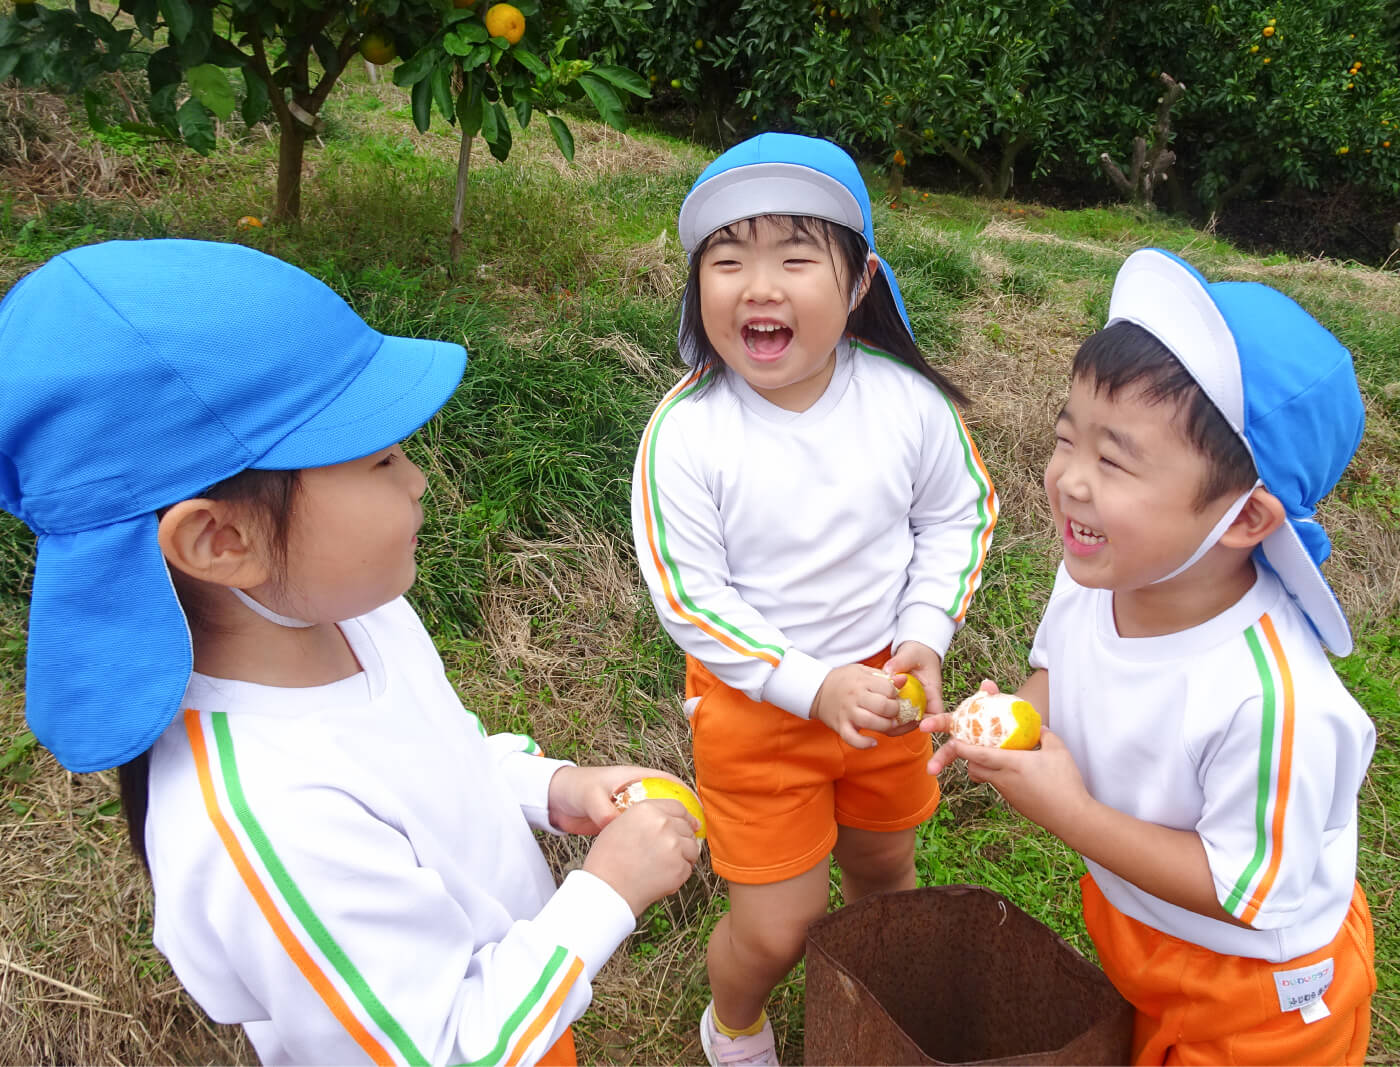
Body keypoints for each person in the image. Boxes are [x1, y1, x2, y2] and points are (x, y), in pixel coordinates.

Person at [0, 239, 703, 1066]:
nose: (418, 481)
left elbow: (439, 757)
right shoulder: (268, 815)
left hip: (522, 1004)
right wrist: (606, 892)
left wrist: (551, 788)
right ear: (221, 539)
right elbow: (441, 1047)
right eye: (380, 458)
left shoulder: (357, 616)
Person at [926, 247, 1377, 1065]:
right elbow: (1063, 672)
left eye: (1115, 460)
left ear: (1244, 520)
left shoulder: (1271, 701)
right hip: (1143, 926)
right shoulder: (1096, 575)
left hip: (1257, 992)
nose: (1069, 480)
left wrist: (1073, 813)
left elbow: (1244, 891)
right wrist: (1014, 719)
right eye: (1068, 439)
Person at [630, 133, 998, 1066]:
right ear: (696, 282)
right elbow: (691, 598)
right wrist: (811, 685)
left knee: (887, 875)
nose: (760, 284)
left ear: (860, 279)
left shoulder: (908, 403)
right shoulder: (687, 433)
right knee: (779, 924)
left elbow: (959, 516)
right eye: (729, 258)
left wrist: (923, 636)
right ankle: (737, 1022)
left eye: (796, 255)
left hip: (887, 696)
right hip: (758, 710)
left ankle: (872, 1013)